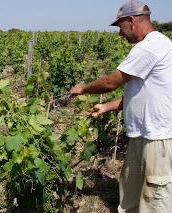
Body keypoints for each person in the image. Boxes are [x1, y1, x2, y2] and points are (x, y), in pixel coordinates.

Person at [68, 1, 172, 212]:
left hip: (157, 138)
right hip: (141, 135)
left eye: (120, 26)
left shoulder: (150, 47)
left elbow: (111, 82)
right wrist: (107, 107)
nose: (119, 34)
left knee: (155, 199)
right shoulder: (153, 45)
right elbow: (142, 93)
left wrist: (83, 88)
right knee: (130, 194)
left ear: (131, 21)